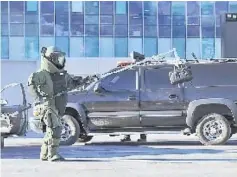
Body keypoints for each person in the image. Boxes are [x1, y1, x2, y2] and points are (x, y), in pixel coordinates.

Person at [27, 46, 84, 162]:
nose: (59, 61)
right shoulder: (40, 74)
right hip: (47, 105)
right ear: (50, 58)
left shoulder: (62, 75)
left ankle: (44, 154)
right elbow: (32, 88)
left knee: (51, 130)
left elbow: (72, 84)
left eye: (60, 58)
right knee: (56, 128)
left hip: (57, 106)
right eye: (56, 58)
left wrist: (85, 80)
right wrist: (41, 98)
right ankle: (52, 154)